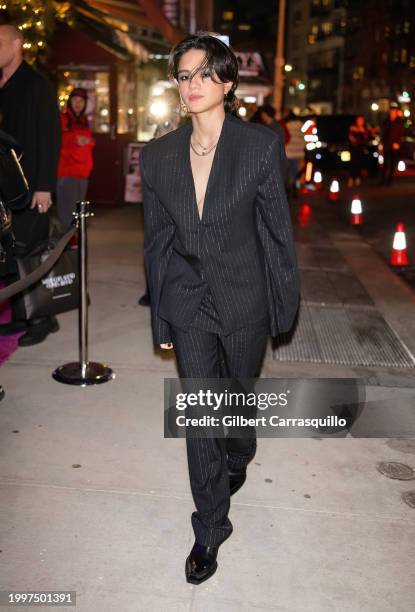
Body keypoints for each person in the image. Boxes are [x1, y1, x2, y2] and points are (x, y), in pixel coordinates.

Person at [140, 33, 299, 585]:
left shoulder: (259, 146)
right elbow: (158, 243)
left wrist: (283, 305)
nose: (193, 85)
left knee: (235, 399)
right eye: (185, 76)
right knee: (202, 414)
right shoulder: (158, 156)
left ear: (228, 82)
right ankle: (210, 526)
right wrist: (161, 318)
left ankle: (242, 446)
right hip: (187, 300)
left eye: (205, 74)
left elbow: (276, 232)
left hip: (244, 295)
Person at [0, 24, 61, 346]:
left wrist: (45, 186)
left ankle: (43, 318)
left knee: (32, 255)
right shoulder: (2, 85)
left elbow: (51, 138)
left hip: (31, 186)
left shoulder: (36, 84)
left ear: (17, 43)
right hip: (5, 188)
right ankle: (22, 317)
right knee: (11, 256)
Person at [57, 87, 95, 230]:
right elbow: (56, 141)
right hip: (67, 173)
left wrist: (87, 141)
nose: (78, 103)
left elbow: (89, 142)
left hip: (82, 173)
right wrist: (75, 139)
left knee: (79, 212)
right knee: (68, 214)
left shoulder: (83, 121)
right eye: (75, 100)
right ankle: (69, 245)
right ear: (69, 101)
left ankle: (76, 243)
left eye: (81, 100)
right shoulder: (63, 118)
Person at [380, 104, 405, 185]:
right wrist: (382, 142)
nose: (392, 113)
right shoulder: (386, 121)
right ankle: (383, 179)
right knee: (385, 163)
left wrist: (397, 143)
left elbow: (401, 134)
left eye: (394, 111)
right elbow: (383, 133)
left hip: (394, 146)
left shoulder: (399, 121)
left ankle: (390, 180)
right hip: (387, 145)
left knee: (392, 163)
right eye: (391, 111)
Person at [284, 109, 305, 198]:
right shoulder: (301, 125)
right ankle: (293, 186)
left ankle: (288, 189)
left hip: (288, 152)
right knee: (294, 172)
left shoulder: (286, 125)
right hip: (298, 153)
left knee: (287, 172)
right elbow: (303, 139)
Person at [347, 115, 369, 188]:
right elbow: (350, 137)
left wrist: (362, 132)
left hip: (360, 148)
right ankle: (351, 178)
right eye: (359, 120)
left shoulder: (364, 129)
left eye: (361, 120)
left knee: (359, 163)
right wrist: (353, 139)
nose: (360, 122)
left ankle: (357, 178)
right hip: (353, 148)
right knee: (353, 163)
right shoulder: (352, 128)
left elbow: (366, 138)